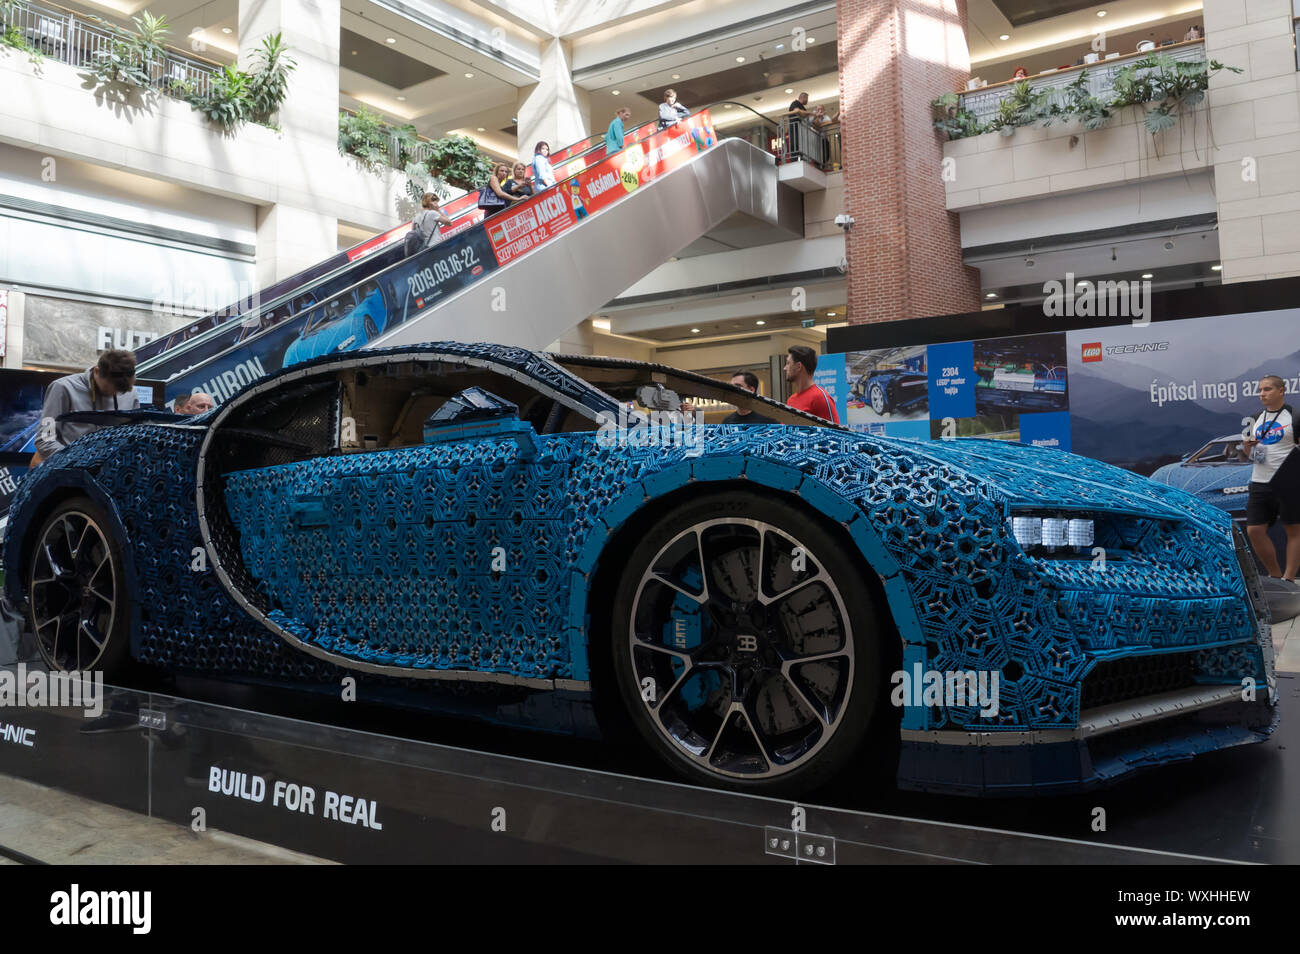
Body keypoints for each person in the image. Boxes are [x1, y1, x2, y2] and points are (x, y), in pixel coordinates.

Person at [34, 348, 140, 463]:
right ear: (96, 371)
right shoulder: (63, 388)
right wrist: (72, 461)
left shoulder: (131, 393)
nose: (113, 394)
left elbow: (133, 437)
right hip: (69, 468)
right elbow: (45, 440)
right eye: (107, 389)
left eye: (119, 392)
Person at [1242, 374, 1300, 581]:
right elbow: (1251, 455)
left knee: (1294, 530)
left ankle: (1289, 579)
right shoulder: (1253, 418)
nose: (1262, 394)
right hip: (1259, 482)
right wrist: (1249, 448)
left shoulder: (1295, 416)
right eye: (1260, 390)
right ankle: (1275, 576)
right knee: (1255, 530)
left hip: (1288, 483)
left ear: (1281, 391)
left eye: (1267, 389)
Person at [783, 345, 840, 424]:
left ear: (799, 366)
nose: (785, 368)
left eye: (788, 363)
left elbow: (836, 433)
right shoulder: (791, 400)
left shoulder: (820, 397)